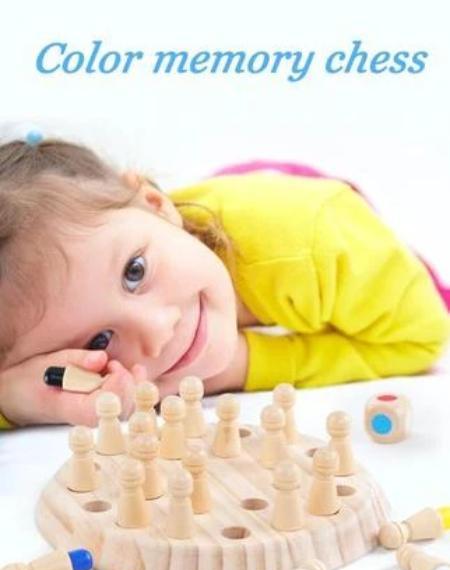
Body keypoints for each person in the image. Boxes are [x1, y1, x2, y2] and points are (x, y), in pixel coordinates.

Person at [0, 135, 448, 428]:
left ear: (155, 203)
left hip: (313, 221)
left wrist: (243, 364)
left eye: (135, 272)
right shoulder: (123, 246)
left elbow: (424, 340)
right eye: (99, 340)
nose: (157, 331)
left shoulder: (316, 242)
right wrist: (12, 397)